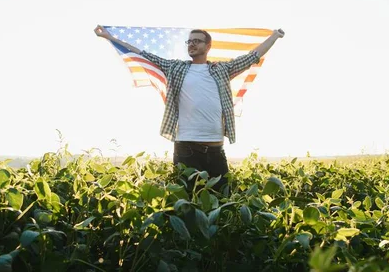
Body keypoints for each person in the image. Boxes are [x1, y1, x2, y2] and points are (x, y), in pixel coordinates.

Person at [94, 25, 285, 193]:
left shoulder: (222, 70)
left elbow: (253, 56)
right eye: (189, 41)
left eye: (197, 41)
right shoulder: (176, 67)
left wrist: (274, 36)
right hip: (186, 148)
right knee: (186, 200)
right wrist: (109, 37)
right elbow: (144, 54)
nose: (192, 44)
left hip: (216, 148)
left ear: (208, 46)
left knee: (223, 198)